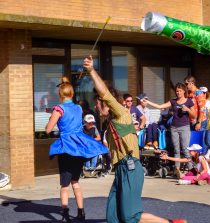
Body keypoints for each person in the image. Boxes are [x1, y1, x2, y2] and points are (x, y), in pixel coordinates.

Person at [83, 56, 187, 223]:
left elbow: (104, 92)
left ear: (106, 103)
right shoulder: (109, 123)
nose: (95, 106)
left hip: (130, 168)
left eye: (97, 103)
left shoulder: (121, 114)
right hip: (120, 170)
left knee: (131, 217)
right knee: (113, 216)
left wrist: (91, 71)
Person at [45, 77, 109, 222]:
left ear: (60, 94)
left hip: (67, 147)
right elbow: (70, 118)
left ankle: (65, 213)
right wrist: (55, 112)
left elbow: (48, 130)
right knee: (76, 182)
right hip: (79, 146)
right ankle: (81, 212)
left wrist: (52, 116)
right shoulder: (78, 108)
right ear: (72, 94)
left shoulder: (58, 109)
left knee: (64, 185)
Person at [142, 83, 196, 178]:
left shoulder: (189, 101)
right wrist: (148, 102)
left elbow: (194, 115)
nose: (178, 92)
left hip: (185, 127)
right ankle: (177, 170)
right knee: (176, 150)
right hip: (174, 128)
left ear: (184, 91)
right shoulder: (173, 101)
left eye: (180, 91)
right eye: (177, 91)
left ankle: (191, 170)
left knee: (185, 149)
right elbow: (160, 106)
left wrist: (187, 109)